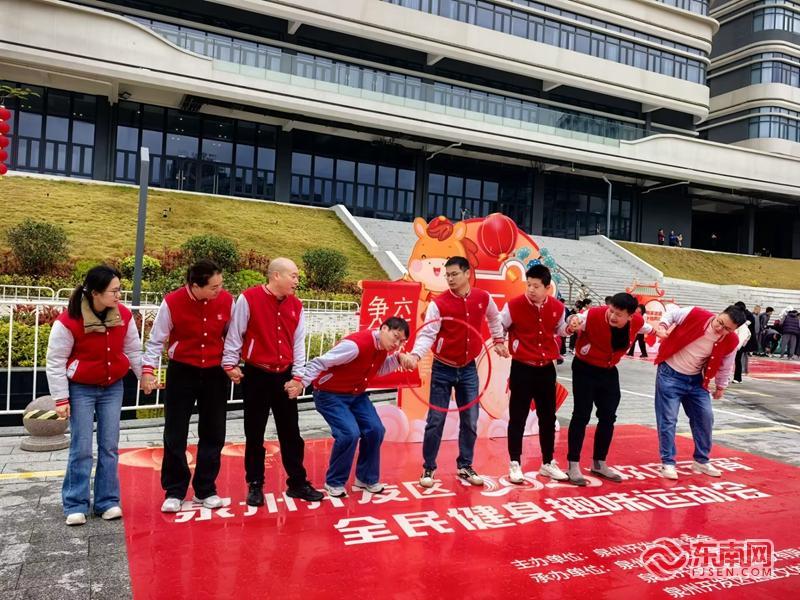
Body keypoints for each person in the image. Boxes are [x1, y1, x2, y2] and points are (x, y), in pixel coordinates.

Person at [45, 266, 142, 526]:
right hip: (81, 389)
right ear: (95, 293)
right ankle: (75, 503)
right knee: (81, 447)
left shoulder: (123, 315)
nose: (119, 296)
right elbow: (55, 361)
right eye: (114, 291)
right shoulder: (69, 320)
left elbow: (133, 348)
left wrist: (144, 375)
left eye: (119, 290)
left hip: (113, 387)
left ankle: (107, 501)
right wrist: (61, 399)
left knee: (109, 446)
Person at [401, 256, 508, 488]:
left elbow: (494, 318)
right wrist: (415, 356)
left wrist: (499, 340)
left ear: (467, 273)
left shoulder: (483, 297)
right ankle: (429, 467)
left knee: (470, 420)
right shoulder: (438, 304)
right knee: (435, 420)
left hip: (468, 368)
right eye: (447, 275)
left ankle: (465, 466)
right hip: (443, 368)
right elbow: (427, 334)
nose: (449, 279)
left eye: (454, 274)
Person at [223, 257, 323, 506]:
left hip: (285, 376)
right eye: (293, 276)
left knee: (291, 433)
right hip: (257, 374)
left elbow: (298, 343)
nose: (297, 281)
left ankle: (297, 482)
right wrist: (230, 363)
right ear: (276, 275)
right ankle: (255, 483)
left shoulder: (296, 305)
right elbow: (236, 334)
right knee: (254, 432)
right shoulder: (249, 299)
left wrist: (298, 378)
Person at [141, 260, 234, 513]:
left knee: (214, 432)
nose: (219, 290)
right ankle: (174, 490)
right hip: (182, 371)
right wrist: (148, 371)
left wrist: (232, 363)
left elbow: (232, 337)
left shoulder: (227, 301)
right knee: (175, 432)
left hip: (214, 372)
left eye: (220, 284)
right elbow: (156, 340)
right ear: (195, 286)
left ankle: (206, 488)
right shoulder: (172, 302)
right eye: (213, 287)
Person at [296, 317, 412, 497]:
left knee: (375, 430)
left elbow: (378, 369)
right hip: (329, 394)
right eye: (395, 337)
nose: (397, 344)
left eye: (401, 341)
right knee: (349, 433)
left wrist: (398, 359)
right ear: (384, 328)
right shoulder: (355, 345)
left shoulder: (382, 348)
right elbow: (320, 362)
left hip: (356, 394)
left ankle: (366, 478)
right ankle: (334, 482)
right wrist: (300, 382)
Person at [562, 292, 651, 486]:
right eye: (611, 311)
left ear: (630, 316)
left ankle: (599, 463)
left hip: (609, 370)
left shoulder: (637, 321)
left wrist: (661, 330)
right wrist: (572, 321)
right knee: (581, 415)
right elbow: (574, 319)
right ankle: (573, 464)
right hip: (585, 368)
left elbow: (649, 328)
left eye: (619, 314)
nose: (612, 316)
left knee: (608, 416)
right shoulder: (593, 315)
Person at [654, 305, 745, 480]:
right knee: (668, 419)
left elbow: (726, 365)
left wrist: (720, 386)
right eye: (720, 322)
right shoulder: (695, 314)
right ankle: (668, 462)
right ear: (719, 314)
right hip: (670, 374)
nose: (720, 329)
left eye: (727, 329)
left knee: (705, 418)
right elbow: (671, 314)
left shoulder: (731, 340)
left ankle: (701, 460)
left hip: (696, 380)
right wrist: (663, 326)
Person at [500, 265, 569, 483]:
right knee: (518, 417)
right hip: (522, 367)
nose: (531, 289)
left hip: (546, 368)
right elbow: (499, 325)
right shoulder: (514, 306)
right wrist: (499, 341)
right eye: (528, 284)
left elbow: (560, 329)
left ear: (548, 288)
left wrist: (570, 328)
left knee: (548, 417)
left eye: (536, 286)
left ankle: (548, 462)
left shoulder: (558, 307)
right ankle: (515, 463)